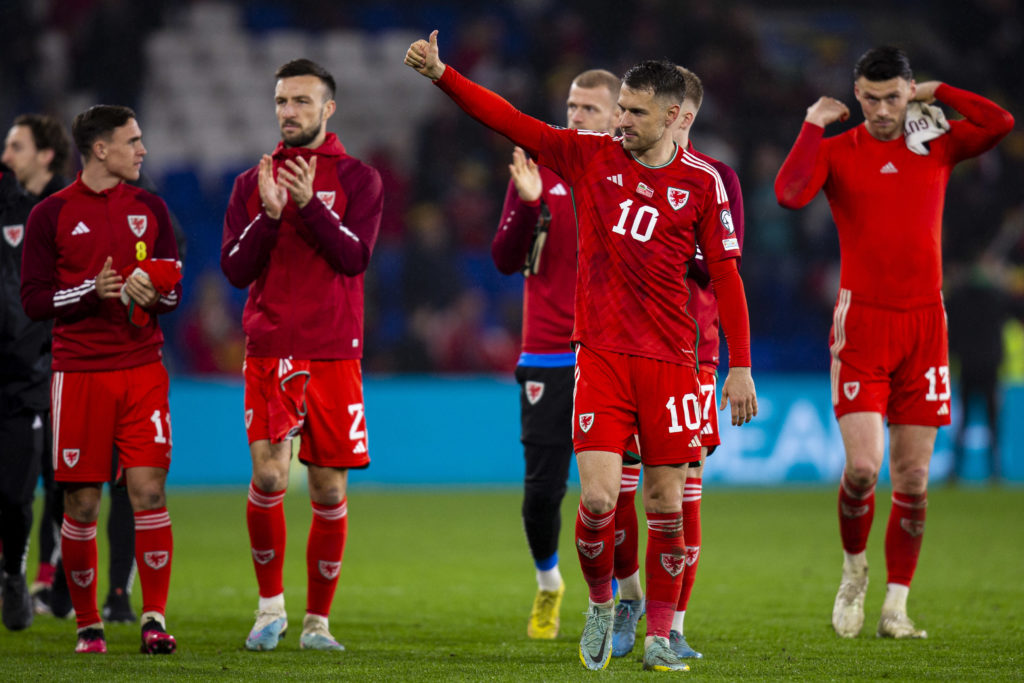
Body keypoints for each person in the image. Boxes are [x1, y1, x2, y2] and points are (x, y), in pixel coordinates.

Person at [406, 32, 756, 673]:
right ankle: (600, 602)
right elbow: (507, 119)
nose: (621, 121)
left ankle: (658, 638)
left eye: (636, 112)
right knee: (597, 501)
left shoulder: (705, 183)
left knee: (666, 506)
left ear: (675, 116)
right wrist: (442, 74)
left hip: (674, 363)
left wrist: (739, 366)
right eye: (619, 108)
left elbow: (728, 277)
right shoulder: (590, 156)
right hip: (598, 356)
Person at [774, 46, 1013, 639]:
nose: (881, 109)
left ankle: (896, 607)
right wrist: (811, 125)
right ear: (857, 95)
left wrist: (941, 90)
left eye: (892, 96)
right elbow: (789, 194)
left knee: (912, 477)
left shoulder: (936, 144)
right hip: (863, 325)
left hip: (926, 325)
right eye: (871, 97)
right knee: (862, 469)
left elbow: (1000, 123)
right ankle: (855, 570)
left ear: (908, 92)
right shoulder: (837, 151)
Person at [221, 59, 383, 653]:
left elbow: (354, 258)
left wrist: (311, 205)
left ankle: (318, 623)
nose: (288, 111)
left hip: (335, 351)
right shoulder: (249, 183)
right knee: (268, 474)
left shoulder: (361, 179)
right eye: (282, 101)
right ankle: (270, 611)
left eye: (301, 101)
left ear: (327, 108)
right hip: (270, 346)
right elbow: (235, 269)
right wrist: (267, 215)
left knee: (328, 492)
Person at [20, 104, 182, 654]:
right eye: (132, 141)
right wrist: (92, 290)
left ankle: (153, 619)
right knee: (82, 505)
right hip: (80, 374)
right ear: (99, 149)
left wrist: (154, 293)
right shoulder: (51, 215)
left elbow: (175, 288)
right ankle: (88, 625)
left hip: (142, 370)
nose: (142, 150)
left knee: (148, 491)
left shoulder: (152, 208)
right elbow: (36, 300)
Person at [611, 66, 746, 661]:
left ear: (685, 117)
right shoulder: (619, 168)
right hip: (621, 346)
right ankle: (628, 596)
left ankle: (675, 625)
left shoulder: (717, 181)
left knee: (683, 492)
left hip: (695, 351)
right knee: (616, 487)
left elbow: (720, 269)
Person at [492, 68, 620, 641]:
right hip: (546, 355)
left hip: (613, 354)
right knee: (543, 493)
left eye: (589, 109)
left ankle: (616, 598)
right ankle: (549, 584)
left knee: (618, 492)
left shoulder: (625, 176)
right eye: (571, 105)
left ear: (619, 115)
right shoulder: (536, 171)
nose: (575, 117)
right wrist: (526, 204)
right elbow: (502, 258)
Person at [2, 114, 141, 624]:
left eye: (15, 146)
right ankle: (51, 584)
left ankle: (94, 592)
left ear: (45, 155)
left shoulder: (101, 206)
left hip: (61, 368)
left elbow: (163, 254)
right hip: (39, 370)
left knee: (96, 483)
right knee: (50, 486)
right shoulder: (33, 214)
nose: (5, 156)